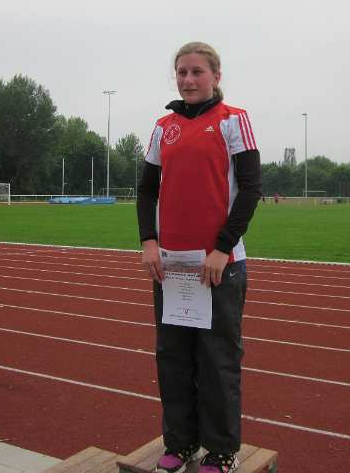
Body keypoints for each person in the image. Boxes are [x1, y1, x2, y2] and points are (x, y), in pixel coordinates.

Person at [137, 42, 262, 473]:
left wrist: (222, 248)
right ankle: (181, 442)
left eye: (197, 72)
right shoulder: (163, 127)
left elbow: (251, 189)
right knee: (172, 358)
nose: (188, 80)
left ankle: (222, 451)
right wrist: (149, 241)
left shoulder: (233, 121)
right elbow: (146, 190)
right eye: (181, 72)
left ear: (216, 76)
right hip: (171, 266)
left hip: (219, 266)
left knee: (217, 361)